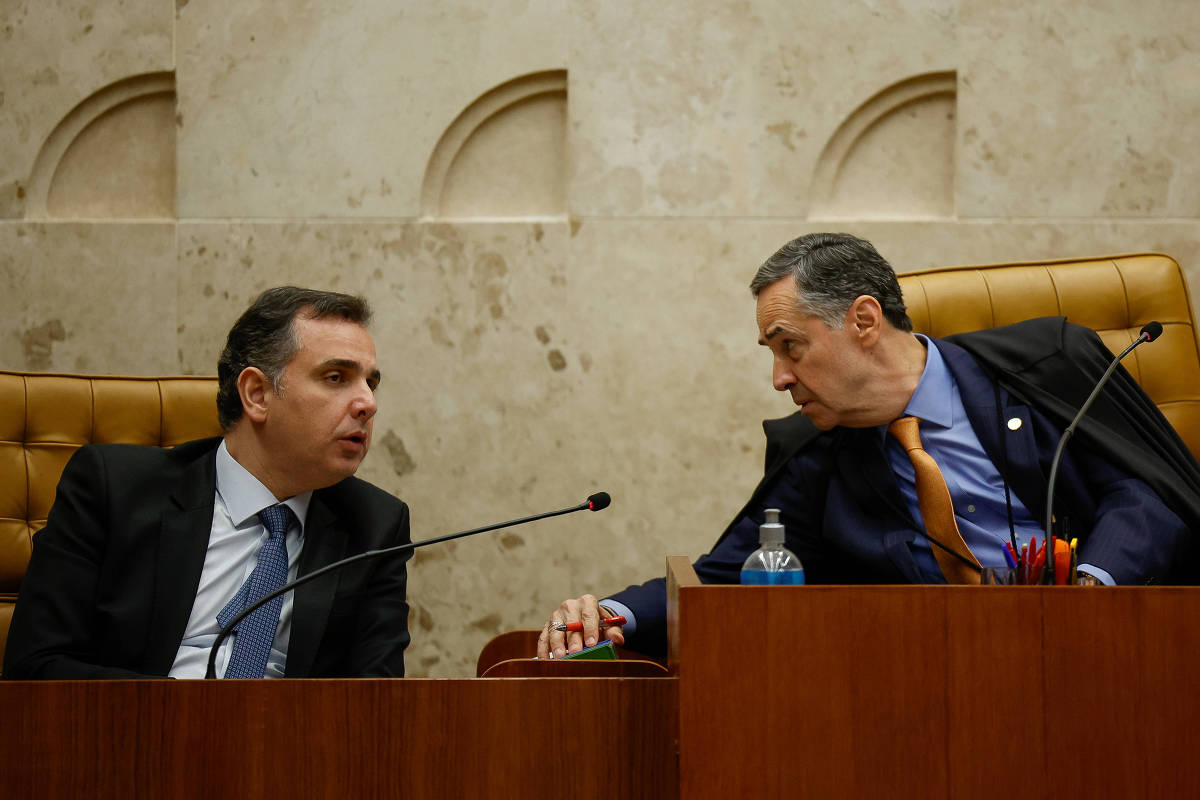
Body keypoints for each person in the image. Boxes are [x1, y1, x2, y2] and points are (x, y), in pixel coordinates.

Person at [538, 233, 1200, 659]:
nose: (779, 379)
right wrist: (608, 612)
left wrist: (1088, 597)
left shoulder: (1045, 363)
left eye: (790, 347)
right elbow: (723, 583)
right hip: (938, 686)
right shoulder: (820, 454)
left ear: (862, 320)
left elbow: (1146, 495)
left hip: (1119, 655)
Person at [4, 287, 412, 679]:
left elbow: (374, 704)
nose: (368, 404)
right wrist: (189, 715)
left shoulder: (375, 527)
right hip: (127, 736)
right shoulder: (113, 489)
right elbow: (37, 666)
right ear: (257, 394)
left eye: (370, 383)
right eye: (336, 377)